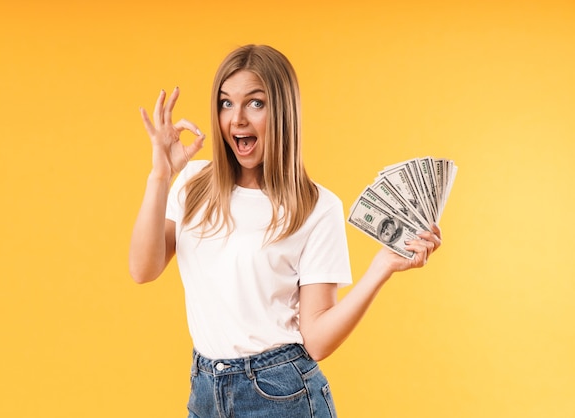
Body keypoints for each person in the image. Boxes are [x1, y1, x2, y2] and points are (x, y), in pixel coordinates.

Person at [129, 44, 442, 418]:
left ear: (282, 111)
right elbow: (142, 270)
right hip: (205, 392)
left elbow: (317, 341)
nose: (238, 119)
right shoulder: (193, 183)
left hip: (280, 396)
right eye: (227, 103)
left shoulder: (315, 207)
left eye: (255, 103)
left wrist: (380, 269)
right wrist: (161, 175)